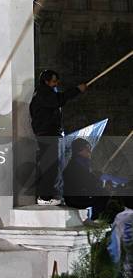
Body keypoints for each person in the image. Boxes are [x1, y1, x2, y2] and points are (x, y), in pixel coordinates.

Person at [29, 69, 87, 205]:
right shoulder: (44, 93)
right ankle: (44, 197)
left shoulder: (43, 93)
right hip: (46, 133)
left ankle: (47, 195)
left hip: (48, 132)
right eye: (54, 81)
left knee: (51, 165)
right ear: (46, 81)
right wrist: (77, 90)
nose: (56, 84)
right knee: (49, 165)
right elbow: (58, 100)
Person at [63, 138, 110, 220]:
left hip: (75, 197)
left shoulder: (79, 163)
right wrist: (98, 180)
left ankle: (95, 219)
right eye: (87, 149)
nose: (90, 152)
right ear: (79, 150)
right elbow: (89, 184)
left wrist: (95, 176)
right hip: (75, 199)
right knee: (104, 194)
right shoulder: (77, 165)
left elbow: (88, 179)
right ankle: (96, 220)